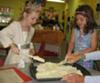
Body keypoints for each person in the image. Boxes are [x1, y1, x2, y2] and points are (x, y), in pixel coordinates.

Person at [0, 0, 46, 69]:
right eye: (32, 18)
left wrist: (31, 49)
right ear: (25, 15)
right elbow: (2, 33)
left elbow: (29, 42)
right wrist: (12, 45)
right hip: (14, 58)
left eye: (36, 19)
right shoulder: (15, 26)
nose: (34, 22)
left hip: (26, 57)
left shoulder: (32, 29)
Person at [65, 5, 97, 70]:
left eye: (81, 19)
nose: (78, 22)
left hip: (86, 60)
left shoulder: (92, 31)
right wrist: (69, 52)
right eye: (77, 19)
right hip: (75, 59)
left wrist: (79, 53)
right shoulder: (75, 29)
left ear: (89, 19)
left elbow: (93, 47)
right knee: (75, 72)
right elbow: (71, 42)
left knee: (84, 75)